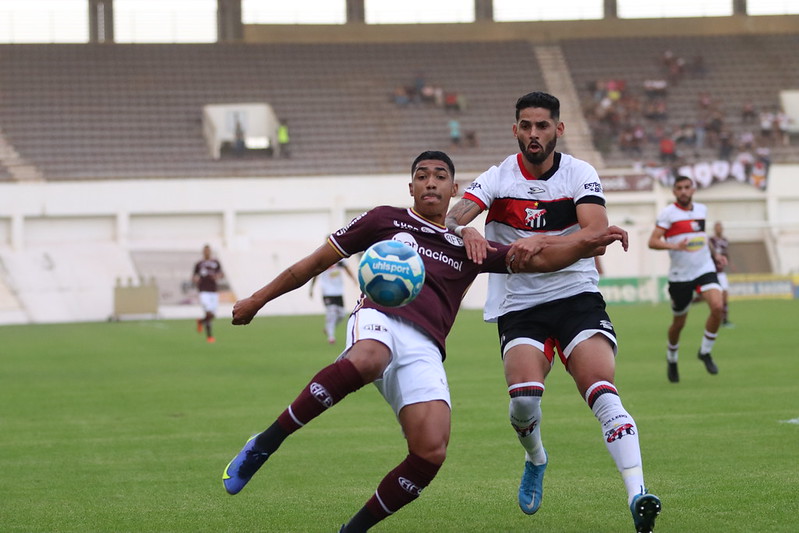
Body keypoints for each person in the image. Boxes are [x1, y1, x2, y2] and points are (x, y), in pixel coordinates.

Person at [222, 150, 627, 533]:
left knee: (431, 451)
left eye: (440, 177)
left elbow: (539, 262)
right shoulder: (385, 220)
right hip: (378, 318)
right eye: (421, 176)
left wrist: (587, 240)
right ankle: (264, 444)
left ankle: (353, 529)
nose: (430, 183)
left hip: (426, 347)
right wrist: (258, 300)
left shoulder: (471, 247)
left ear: (455, 190)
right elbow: (314, 263)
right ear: (411, 188)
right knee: (368, 358)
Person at [444, 91, 661, 533]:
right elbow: (453, 217)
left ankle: (638, 494)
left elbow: (595, 232)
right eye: (526, 126)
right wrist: (464, 226)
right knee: (523, 400)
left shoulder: (580, 173)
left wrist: (541, 241)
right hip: (519, 305)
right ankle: (536, 458)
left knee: (602, 389)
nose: (534, 134)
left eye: (542, 126)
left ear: (558, 129)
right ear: (515, 130)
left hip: (577, 298)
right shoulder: (498, 176)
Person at [648, 175, 726, 384]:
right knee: (679, 323)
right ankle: (672, 358)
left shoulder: (701, 210)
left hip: (704, 268)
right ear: (674, 192)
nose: (683, 191)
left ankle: (705, 351)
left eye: (687, 187)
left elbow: (701, 236)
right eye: (679, 188)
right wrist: (675, 246)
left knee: (718, 307)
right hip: (680, 276)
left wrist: (715, 255)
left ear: (693, 190)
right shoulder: (668, 214)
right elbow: (653, 242)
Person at [308, 260, 357, 344]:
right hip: (327, 291)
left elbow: (347, 269)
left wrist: (353, 279)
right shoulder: (325, 259)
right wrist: (311, 288)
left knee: (341, 315)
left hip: (338, 291)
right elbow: (315, 274)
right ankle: (331, 337)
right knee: (332, 313)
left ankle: (328, 327)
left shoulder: (341, 260)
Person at [192, 244, 224, 343]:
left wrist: (217, 276)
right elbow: (194, 276)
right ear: (203, 252)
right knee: (208, 312)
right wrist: (196, 279)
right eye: (205, 251)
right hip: (203, 291)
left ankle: (201, 321)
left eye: (208, 251)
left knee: (213, 315)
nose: (207, 252)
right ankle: (209, 336)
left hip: (213, 290)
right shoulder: (199, 264)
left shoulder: (215, 262)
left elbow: (221, 274)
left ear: (210, 252)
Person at [709, 221, 732, 327]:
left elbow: (726, 254)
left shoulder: (725, 241)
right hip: (712, 272)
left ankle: (725, 320)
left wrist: (730, 263)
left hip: (721, 273)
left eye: (720, 227)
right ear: (714, 229)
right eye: (717, 227)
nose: (719, 229)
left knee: (725, 295)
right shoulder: (711, 241)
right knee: (714, 299)